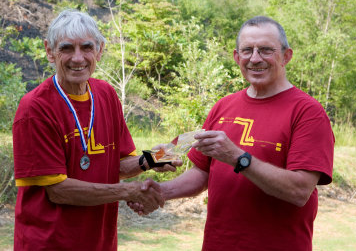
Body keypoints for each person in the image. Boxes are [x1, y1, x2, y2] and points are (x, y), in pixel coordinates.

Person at [132, 16, 334, 251]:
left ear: (286, 56)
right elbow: (203, 173)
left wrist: (239, 158)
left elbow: (299, 191)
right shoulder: (223, 106)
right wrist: (160, 193)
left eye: (266, 50)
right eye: (247, 50)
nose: (255, 58)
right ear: (237, 57)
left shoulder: (308, 112)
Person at [12, 9, 182, 250]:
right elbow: (59, 191)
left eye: (87, 48)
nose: (78, 58)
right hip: (49, 243)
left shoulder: (106, 94)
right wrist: (130, 192)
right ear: (50, 51)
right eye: (67, 48)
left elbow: (115, 166)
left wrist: (152, 159)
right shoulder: (35, 108)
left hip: (99, 242)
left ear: (100, 50)